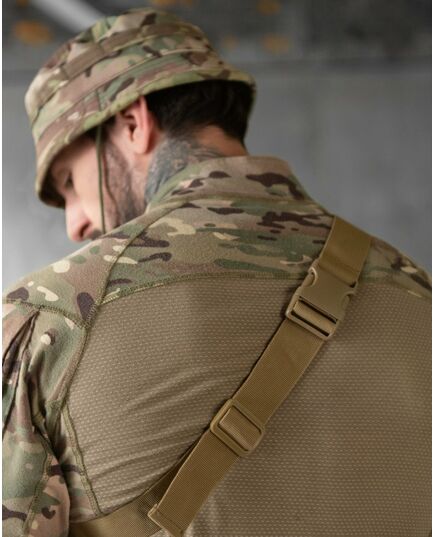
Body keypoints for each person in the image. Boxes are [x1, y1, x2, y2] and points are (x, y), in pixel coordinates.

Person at [3, 7, 431, 537]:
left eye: (70, 181)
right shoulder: (413, 287)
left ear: (134, 124)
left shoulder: (49, 314)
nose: (77, 223)